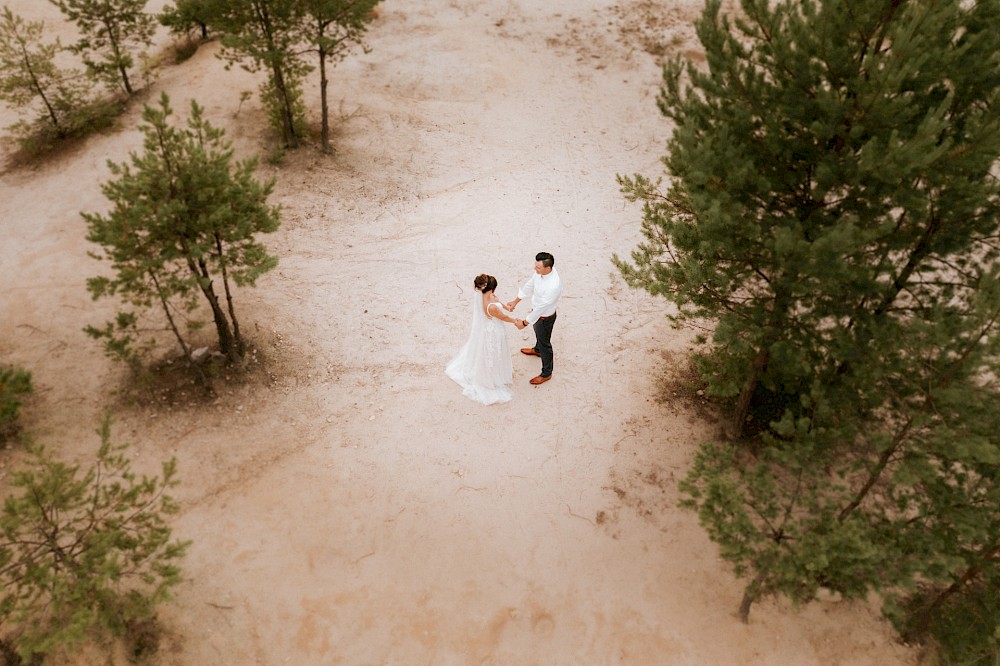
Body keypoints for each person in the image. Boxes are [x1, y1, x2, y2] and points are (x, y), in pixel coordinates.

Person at [446, 274, 529, 405]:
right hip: (494, 331)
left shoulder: (487, 295)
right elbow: (503, 317)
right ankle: (492, 378)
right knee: (493, 354)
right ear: (491, 288)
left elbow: (496, 300)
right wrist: (516, 321)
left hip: (492, 325)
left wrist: (507, 307)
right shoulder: (491, 307)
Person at [505, 252, 562, 385]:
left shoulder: (553, 286)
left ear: (548, 268)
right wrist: (515, 301)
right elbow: (530, 285)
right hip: (537, 313)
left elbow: (540, 309)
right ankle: (537, 350)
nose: (535, 269)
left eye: (538, 268)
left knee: (545, 343)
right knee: (539, 336)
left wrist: (524, 323)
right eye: (535, 266)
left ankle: (547, 373)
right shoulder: (540, 273)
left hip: (545, 317)